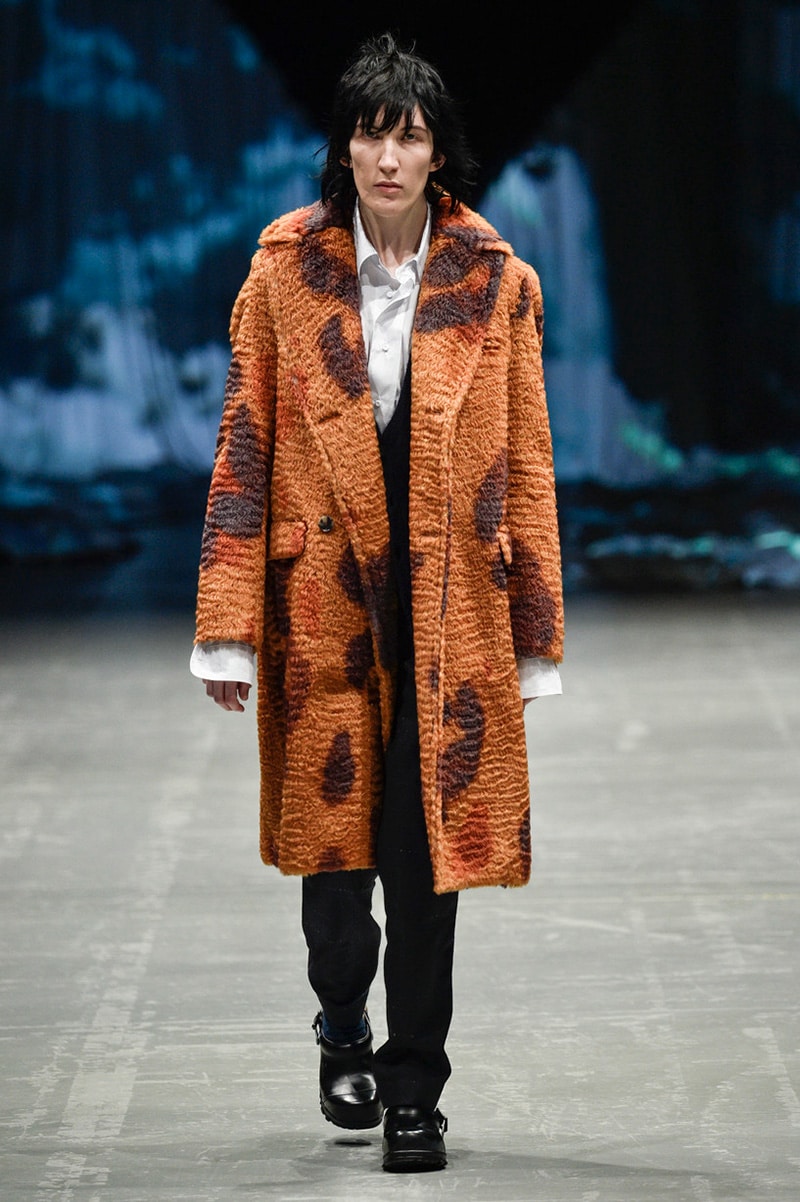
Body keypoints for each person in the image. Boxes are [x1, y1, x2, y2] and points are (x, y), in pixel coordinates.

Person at [190, 30, 564, 1173]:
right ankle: (341, 1013)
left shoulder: (495, 280)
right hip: (324, 609)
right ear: (344, 148)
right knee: (336, 880)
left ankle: (413, 1091)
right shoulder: (283, 270)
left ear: (436, 150)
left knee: (426, 861)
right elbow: (244, 444)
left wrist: (535, 635)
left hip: (449, 610)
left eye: (408, 137)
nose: (388, 158)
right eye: (369, 135)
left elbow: (528, 462)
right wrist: (225, 626)